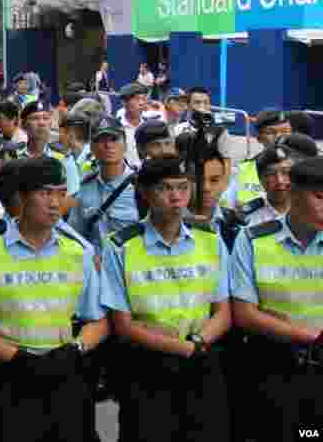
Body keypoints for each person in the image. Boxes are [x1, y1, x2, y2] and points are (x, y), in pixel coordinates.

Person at [0, 157, 108, 442]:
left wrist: (75, 350)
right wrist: (16, 358)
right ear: (22, 198)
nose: (54, 203)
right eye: (45, 193)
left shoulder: (78, 252)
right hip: (8, 378)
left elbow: (98, 319)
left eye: (61, 193)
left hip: (65, 373)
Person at [100, 157, 231, 441]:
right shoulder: (121, 245)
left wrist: (196, 344)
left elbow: (223, 311)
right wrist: (180, 348)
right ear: (146, 194)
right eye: (165, 189)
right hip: (147, 367)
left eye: (183, 188)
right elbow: (122, 324)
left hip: (201, 359)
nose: (176, 197)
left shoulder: (209, 238)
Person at [229, 156, 323, 440]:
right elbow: (244, 313)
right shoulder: (253, 239)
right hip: (272, 365)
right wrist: (306, 335)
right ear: (293, 193)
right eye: (319, 197)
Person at [68, 115, 140, 253]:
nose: (108, 146)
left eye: (114, 139)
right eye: (100, 140)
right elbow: (76, 236)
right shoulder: (84, 188)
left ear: (125, 144)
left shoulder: (141, 186)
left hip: (131, 266)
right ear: (92, 147)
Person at [15, 101, 80, 198]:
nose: (41, 123)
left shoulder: (63, 158)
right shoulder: (14, 155)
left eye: (45, 118)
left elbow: (72, 196)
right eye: (35, 118)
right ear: (23, 125)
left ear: (50, 123)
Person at [234, 109, 292, 207]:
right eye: (271, 132)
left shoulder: (305, 162)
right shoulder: (248, 168)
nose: (279, 136)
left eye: (285, 131)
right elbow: (246, 205)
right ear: (259, 138)